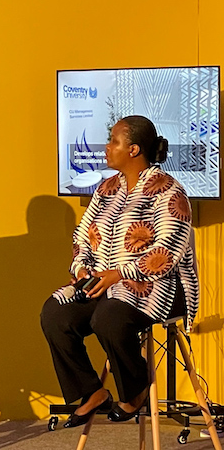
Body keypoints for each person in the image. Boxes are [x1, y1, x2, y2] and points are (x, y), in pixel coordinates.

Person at [40, 115, 199, 427]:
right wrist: (82, 268)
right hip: (105, 285)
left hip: (157, 288)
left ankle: (135, 389)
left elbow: (166, 252)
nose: (107, 147)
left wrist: (118, 274)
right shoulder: (106, 189)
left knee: (108, 318)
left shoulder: (169, 192)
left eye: (114, 141)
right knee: (55, 314)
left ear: (134, 149)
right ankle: (91, 393)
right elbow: (82, 236)